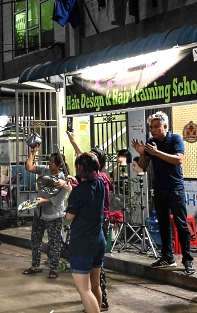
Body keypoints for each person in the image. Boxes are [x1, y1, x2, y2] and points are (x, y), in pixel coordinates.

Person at [131, 111, 195, 275]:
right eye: (151, 127)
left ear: (165, 126)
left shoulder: (175, 139)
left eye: (156, 127)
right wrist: (142, 153)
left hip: (175, 188)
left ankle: (187, 259)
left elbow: (178, 159)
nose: (152, 130)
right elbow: (144, 166)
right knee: (163, 224)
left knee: (181, 224)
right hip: (159, 189)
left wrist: (156, 152)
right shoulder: (151, 142)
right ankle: (167, 257)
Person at [66, 131, 112, 310]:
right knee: (95, 286)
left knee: (84, 290)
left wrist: (70, 192)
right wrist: (74, 143)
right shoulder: (101, 182)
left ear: (79, 169)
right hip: (98, 240)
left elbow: (70, 216)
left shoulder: (78, 191)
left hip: (82, 243)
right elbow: (87, 162)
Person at [23, 145, 71, 279]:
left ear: (59, 164)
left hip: (54, 214)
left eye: (51, 162)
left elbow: (59, 198)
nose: (49, 163)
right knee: (35, 239)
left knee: (54, 242)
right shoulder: (44, 170)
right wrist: (33, 153)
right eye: (49, 161)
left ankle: (54, 268)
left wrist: (42, 201)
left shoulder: (63, 179)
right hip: (39, 212)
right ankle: (35, 265)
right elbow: (29, 167)